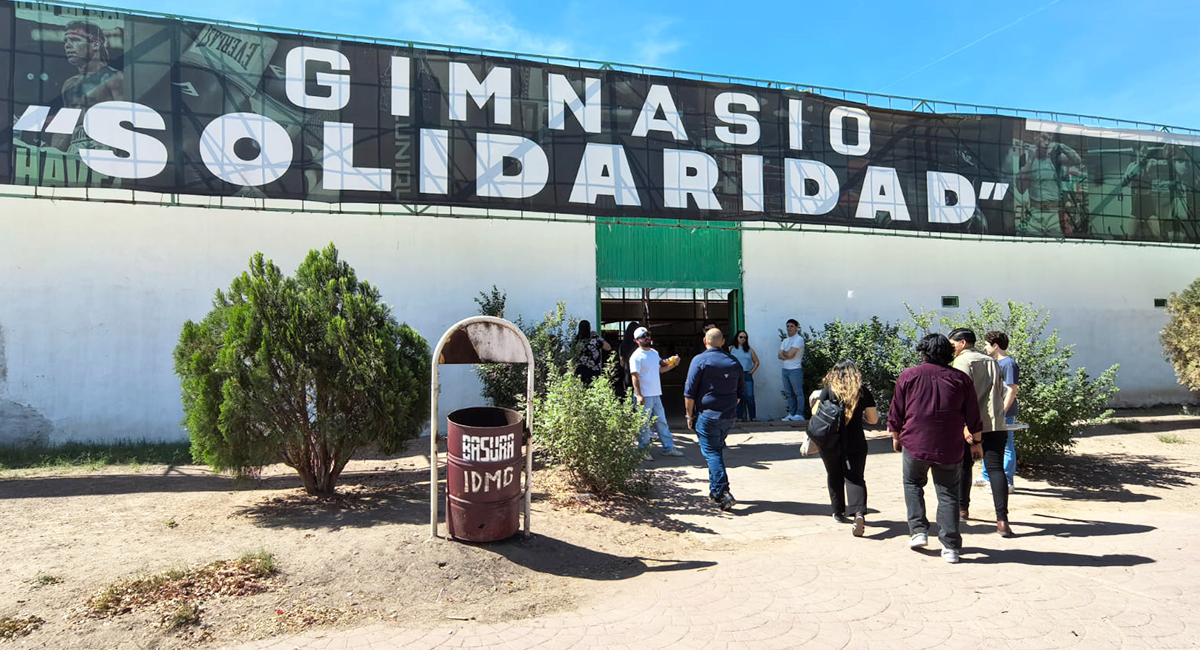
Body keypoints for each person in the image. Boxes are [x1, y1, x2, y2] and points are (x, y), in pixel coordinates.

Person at [889, 333, 983, 564]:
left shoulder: (909, 375)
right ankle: (950, 547)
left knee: (912, 485)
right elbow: (973, 415)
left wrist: (895, 436)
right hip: (949, 445)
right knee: (949, 493)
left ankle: (919, 531)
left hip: (915, 442)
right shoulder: (960, 379)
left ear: (923, 352)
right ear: (950, 354)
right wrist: (977, 444)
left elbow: (896, 410)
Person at [949, 328, 1009, 537]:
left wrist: (965, 425)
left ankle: (962, 508)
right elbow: (1001, 391)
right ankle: (1002, 520)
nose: (952, 349)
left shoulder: (962, 362)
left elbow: (961, 396)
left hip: (972, 424)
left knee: (964, 466)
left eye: (953, 344)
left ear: (962, 343)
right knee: (996, 469)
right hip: (996, 423)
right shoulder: (991, 361)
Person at [810, 361, 879, 537]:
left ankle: (838, 512)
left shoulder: (829, 390)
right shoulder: (863, 392)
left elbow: (815, 413)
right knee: (855, 478)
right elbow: (873, 420)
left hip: (830, 440)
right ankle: (858, 513)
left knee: (834, 474)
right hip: (855, 441)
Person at [684, 328, 744, 511]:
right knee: (715, 450)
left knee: (712, 453)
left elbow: (689, 392)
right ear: (723, 342)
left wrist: (689, 415)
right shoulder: (734, 361)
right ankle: (714, 492)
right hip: (728, 416)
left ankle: (722, 491)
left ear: (705, 341)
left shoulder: (700, 360)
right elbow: (740, 393)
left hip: (708, 415)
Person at [54, 21, 125, 152]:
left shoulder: (113, 77)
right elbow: (65, 127)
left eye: (75, 39)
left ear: (96, 45)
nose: (68, 45)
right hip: (75, 148)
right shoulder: (69, 84)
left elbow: (126, 120)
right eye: (66, 41)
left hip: (103, 146)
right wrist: (54, 153)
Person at [629, 326, 683, 459]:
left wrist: (673, 365)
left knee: (662, 422)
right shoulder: (636, 356)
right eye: (643, 336)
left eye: (648, 334)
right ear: (637, 340)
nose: (647, 337)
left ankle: (668, 448)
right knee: (644, 424)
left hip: (655, 394)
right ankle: (643, 450)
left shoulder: (653, 352)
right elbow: (634, 376)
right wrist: (639, 395)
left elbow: (658, 370)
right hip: (644, 396)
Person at [982, 331, 1021, 501]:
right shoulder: (993, 362)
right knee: (988, 443)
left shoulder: (1009, 363)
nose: (984, 347)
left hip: (1004, 412)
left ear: (995, 345)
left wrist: (1002, 411)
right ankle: (987, 477)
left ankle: (1007, 481)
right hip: (991, 411)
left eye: (986, 344)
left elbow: (1012, 389)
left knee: (1007, 445)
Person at [779, 318, 806, 422]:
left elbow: (790, 354)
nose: (789, 328)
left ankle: (800, 414)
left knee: (798, 393)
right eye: (788, 326)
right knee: (789, 393)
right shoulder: (785, 340)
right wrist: (787, 354)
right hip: (785, 369)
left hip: (795, 369)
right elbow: (779, 355)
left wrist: (786, 354)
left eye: (791, 326)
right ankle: (791, 413)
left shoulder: (798, 339)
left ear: (796, 328)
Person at [729, 330, 759, 421]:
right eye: (741, 337)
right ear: (737, 337)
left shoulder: (749, 350)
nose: (743, 339)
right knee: (738, 397)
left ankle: (753, 417)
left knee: (749, 396)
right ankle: (739, 417)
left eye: (745, 337)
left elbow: (756, 361)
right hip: (736, 375)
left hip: (746, 374)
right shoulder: (731, 348)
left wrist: (752, 371)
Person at [573, 320, 611, 385]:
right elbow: (608, 347)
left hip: (579, 370)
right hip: (593, 371)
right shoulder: (594, 340)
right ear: (589, 328)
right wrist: (598, 336)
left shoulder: (576, 340)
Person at [618, 321, 642, 400]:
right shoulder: (639, 346)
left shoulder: (622, 345)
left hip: (627, 372)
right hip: (639, 373)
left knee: (628, 395)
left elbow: (622, 363)